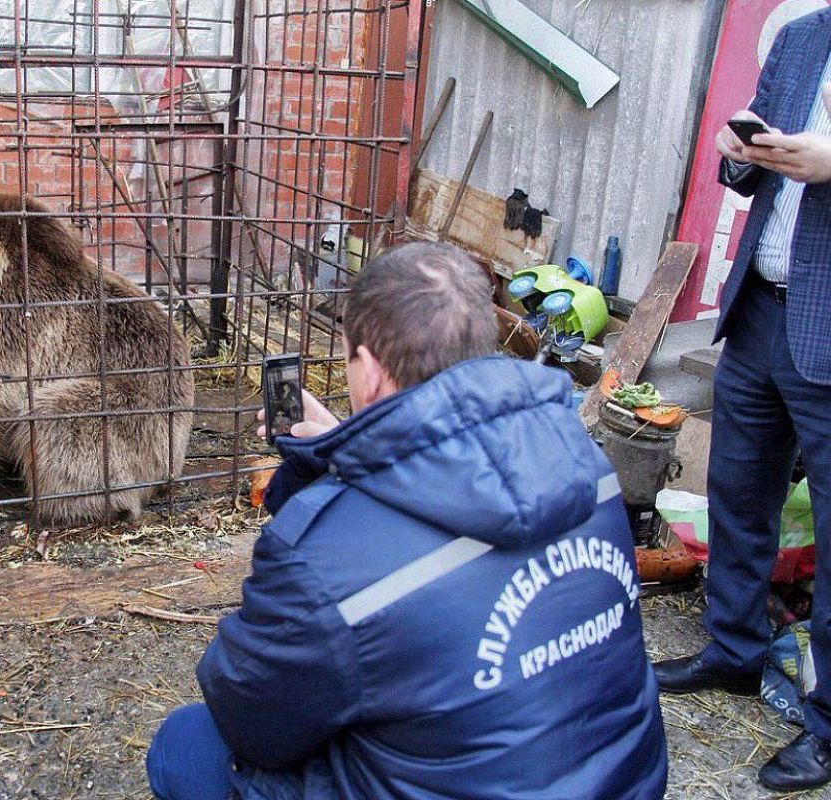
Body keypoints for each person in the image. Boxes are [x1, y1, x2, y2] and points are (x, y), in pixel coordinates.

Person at [145, 241, 667, 800]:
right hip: (624, 782)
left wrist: (341, 483)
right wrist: (341, 452)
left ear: (367, 370)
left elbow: (253, 721)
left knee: (187, 745)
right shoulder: (587, 463)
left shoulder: (322, 554)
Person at [652, 8, 831, 793]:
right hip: (760, 306)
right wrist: (737, 153)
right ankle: (732, 650)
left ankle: (827, 730)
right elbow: (747, 166)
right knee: (738, 489)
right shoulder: (801, 35)